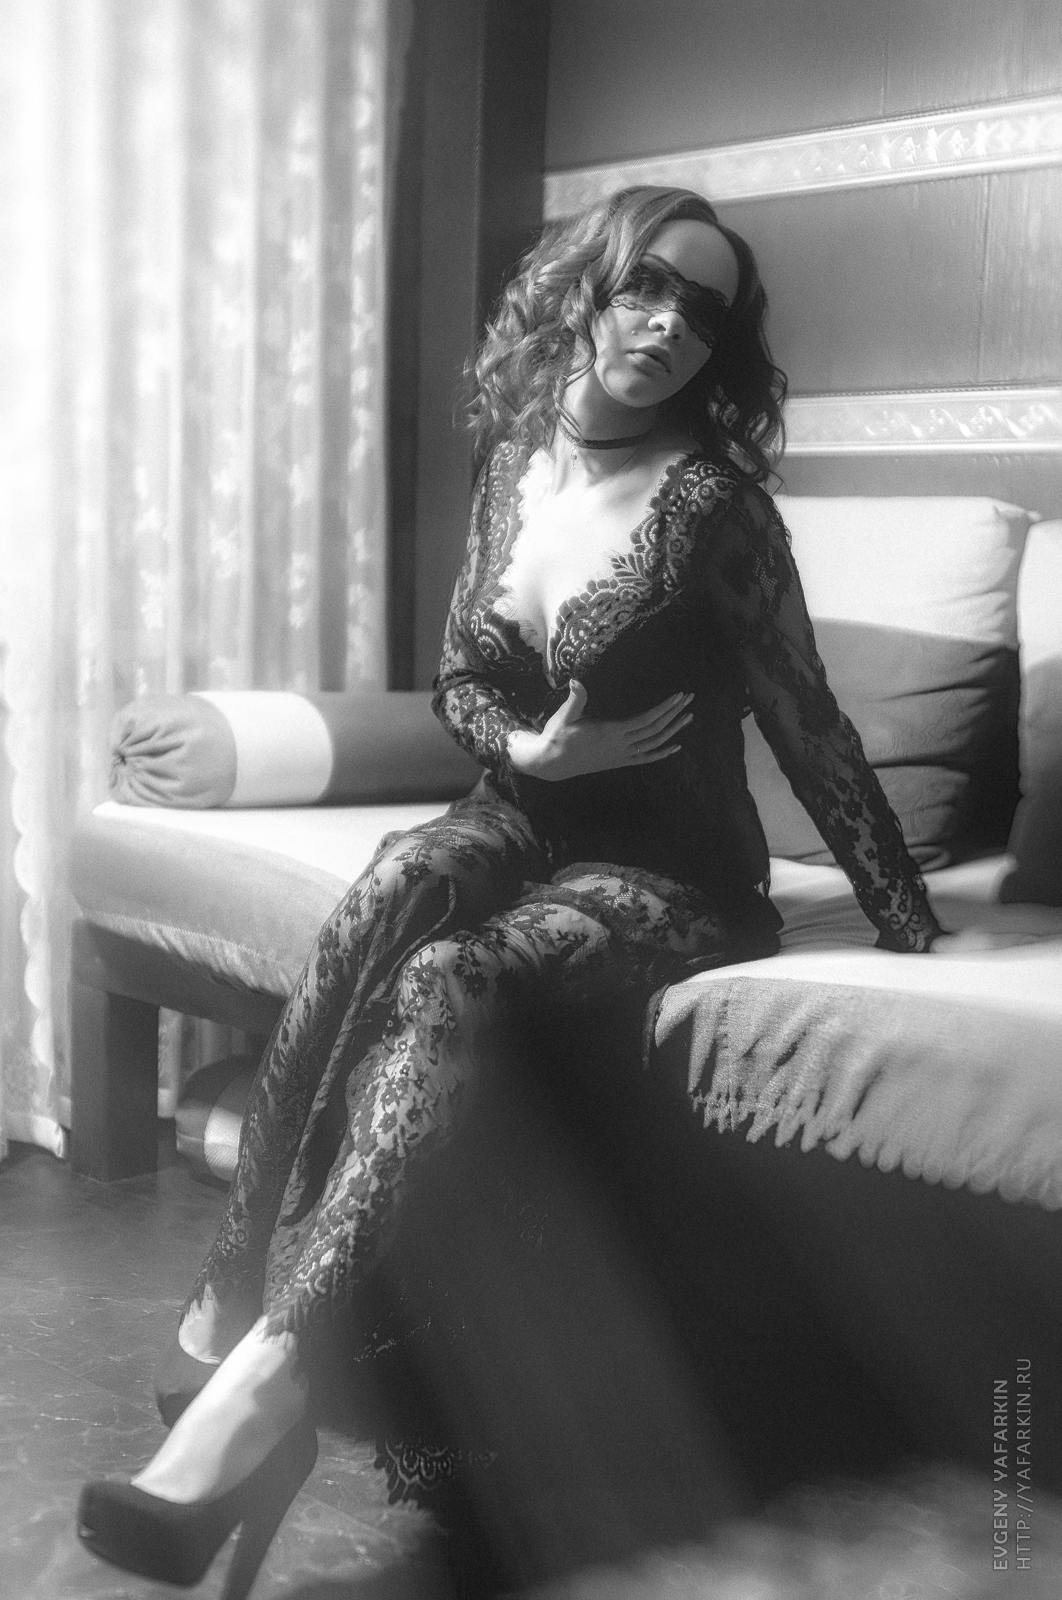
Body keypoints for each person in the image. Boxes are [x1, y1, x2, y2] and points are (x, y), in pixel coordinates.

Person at [77, 184, 954, 1593]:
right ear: (585, 288)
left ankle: (265, 1385)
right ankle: (231, 1308)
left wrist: (907, 922)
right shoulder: (516, 462)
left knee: (450, 976)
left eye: (702, 314)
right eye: (644, 288)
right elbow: (462, 682)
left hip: (670, 868)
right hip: (518, 814)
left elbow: (807, 718)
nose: (667, 326)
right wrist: (537, 748)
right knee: (389, 893)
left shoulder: (714, 509)